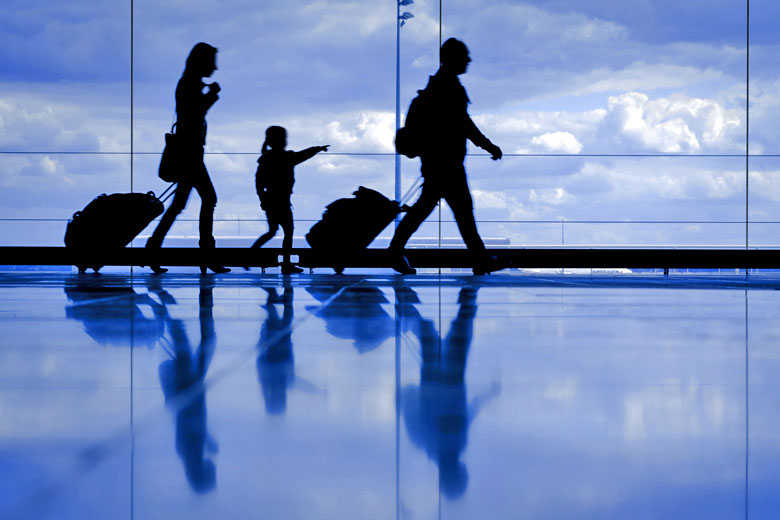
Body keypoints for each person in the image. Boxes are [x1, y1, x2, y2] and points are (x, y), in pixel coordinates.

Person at [389, 38, 503, 275]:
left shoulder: (438, 88)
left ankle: (395, 251)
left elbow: (461, 124)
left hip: (436, 162)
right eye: (464, 56)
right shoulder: (450, 89)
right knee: (460, 211)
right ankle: (480, 259)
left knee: (431, 209)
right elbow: (464, 124)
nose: (468, 60)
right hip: (447, 163)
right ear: (452, 59)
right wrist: (488, 145)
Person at [146, 42, 230, 274]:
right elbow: (195, 113)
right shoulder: (191, 84)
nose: (214, 67)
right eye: (211, 62)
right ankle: (206, 256)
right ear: (202, 62)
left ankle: (153, 248)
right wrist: (212, 95)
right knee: (209, 199)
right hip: (190, 154)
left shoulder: (188, 83)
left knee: (178, 204)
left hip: (187, 152)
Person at [251, 126, 328, 274]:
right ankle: (285, 263)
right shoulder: (286, 158)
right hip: (282, 201)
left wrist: (262, 199)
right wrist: (317, 149)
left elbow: (258, 182)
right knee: (288, 231)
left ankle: (252, 254)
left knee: (273, 231)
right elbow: (303, 155)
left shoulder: (266, 159)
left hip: (270, 200)